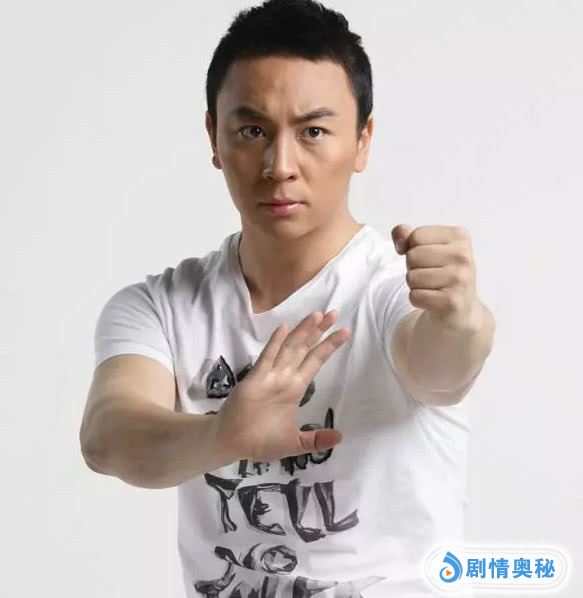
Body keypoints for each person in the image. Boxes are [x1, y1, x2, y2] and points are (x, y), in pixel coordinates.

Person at [79, 1, 495, 596]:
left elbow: (444, 367)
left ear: (363, 141)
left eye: (313, 132)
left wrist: (460, 318)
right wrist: (223, 436)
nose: (280, 166)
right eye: (252, 131)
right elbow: (108, 436)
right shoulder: (160, 306)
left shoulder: (389, 291)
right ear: (213, 137)